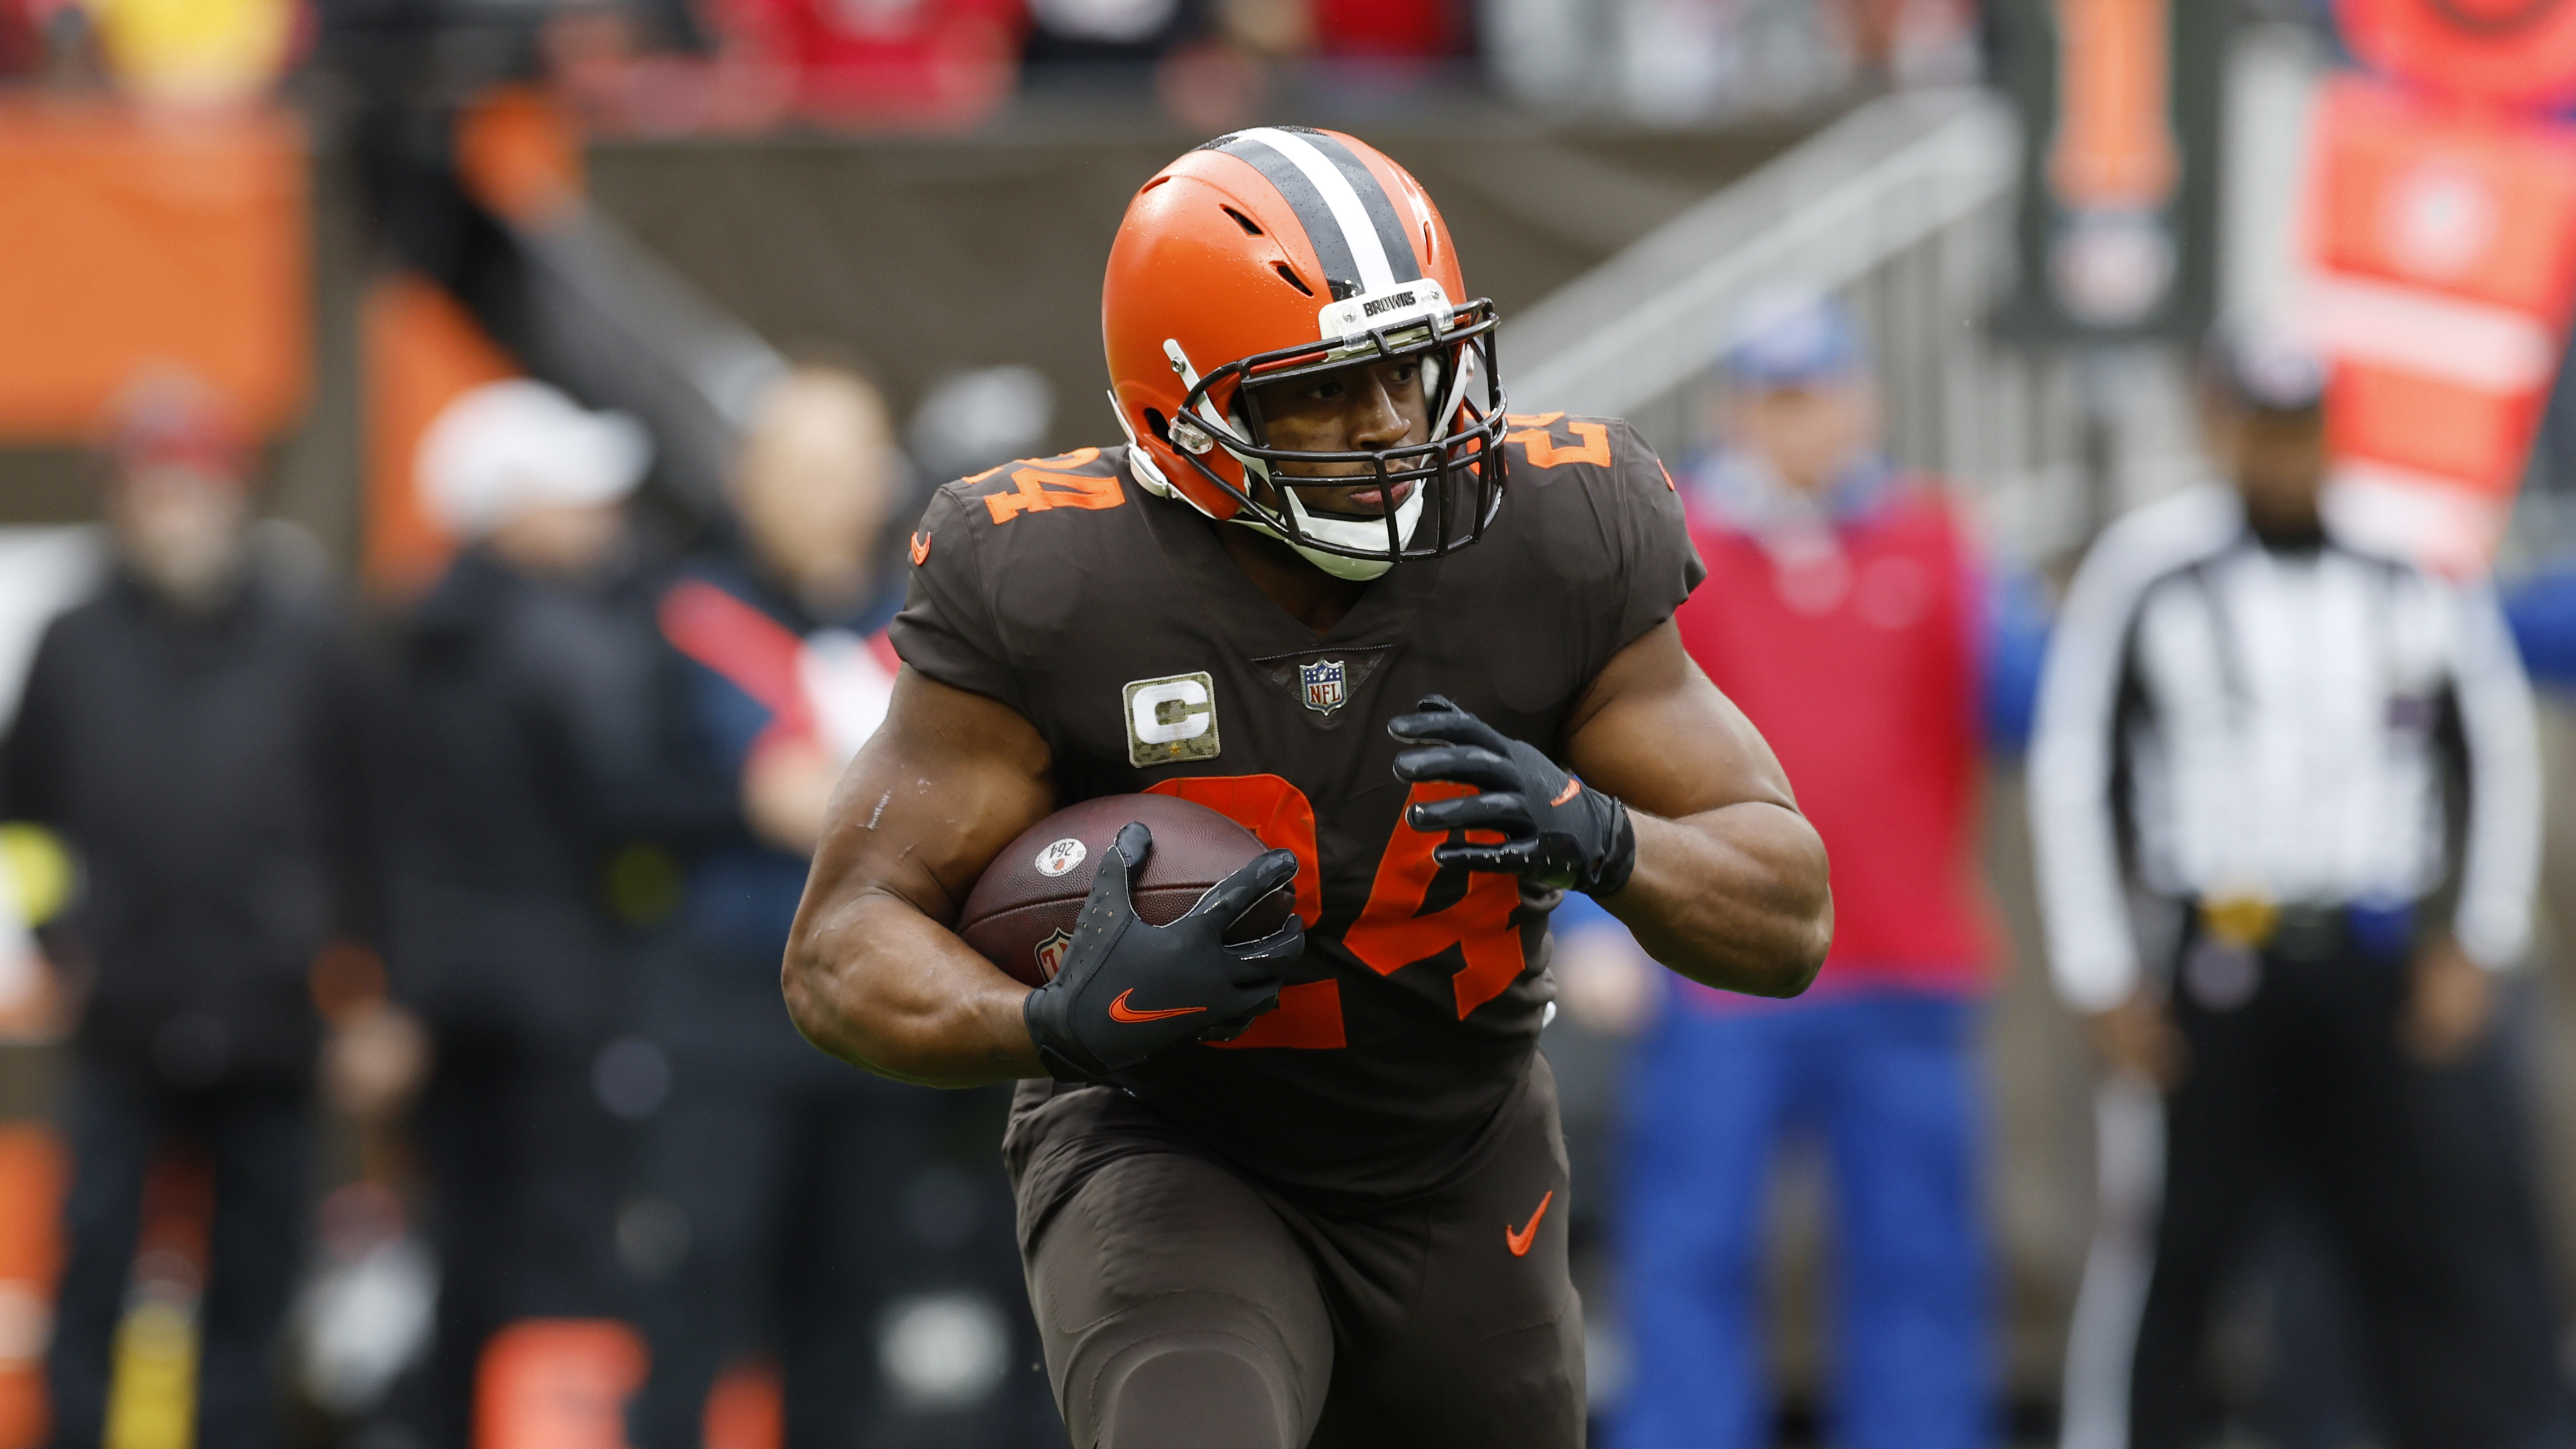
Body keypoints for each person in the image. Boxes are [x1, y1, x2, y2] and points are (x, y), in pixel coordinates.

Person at [778, 127, 1835, 1449]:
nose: (1391, 425)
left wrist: (1600, 837)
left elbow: (1790, 915)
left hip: (1461, 1154)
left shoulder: (1557, 533)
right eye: (1324, 390)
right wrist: (1049, 1020)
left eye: (1409, 368)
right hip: (1171, 1141)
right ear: (1185, 407)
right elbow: (837, 953)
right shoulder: (1050, 577)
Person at [2031, 329, 2558, 1449]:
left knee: (2424, 1242)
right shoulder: (2148, 565)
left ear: (2331, 431)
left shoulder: (2415, 555)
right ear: (2220, 427)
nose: (2280, 455)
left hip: (2376, 955)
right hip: (2221, 953)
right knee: (2182, 1246)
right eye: (2258, 428)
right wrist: (2098, 972)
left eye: (2299, 429)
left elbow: (2496, 753)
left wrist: (2476, 941)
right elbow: (2073, 766)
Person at [1605, 288, 2044, 1449]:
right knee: (1692, 1246)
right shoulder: (1665, 551)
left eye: (1816, 397)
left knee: (1921, 1256)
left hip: (1902, 960)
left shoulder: (1942, 542)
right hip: (1716, 963)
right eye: (1775, 399)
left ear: (1864, 402)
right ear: (1736, 409)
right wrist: (1596, 928)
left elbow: (2028, 702)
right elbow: (1595, 742)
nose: (1798, 426)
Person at [622, 365, 1040, 1444]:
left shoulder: (929, 628)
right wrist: (741, 801)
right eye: (797, 467)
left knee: (851, 1301)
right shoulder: (676, 617)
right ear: (746, 476)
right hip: (723, 1011)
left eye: (842, 467)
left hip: (871, 1012)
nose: (821, 494)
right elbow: (606, 796)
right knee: (698, 1289)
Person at [0, 373, 370, 1448]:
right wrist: (58, 941)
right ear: (119, 499)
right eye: (151, 484)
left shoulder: (307, 638)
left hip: (269, 1020)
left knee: (257, 1276)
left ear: (236, 494)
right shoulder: (73, 642)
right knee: (96, 1264)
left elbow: (364, 820)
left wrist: (360, 986)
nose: (173, 505)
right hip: (123, 1019)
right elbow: (24, 818)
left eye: (193, 482)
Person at [373, 379, 679, 1443]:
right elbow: (635, 802)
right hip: (567, 1000)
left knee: (463, 1245)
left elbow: (386, 836)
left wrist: (400, 988)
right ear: (509, 510)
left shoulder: (413, 634)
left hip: (449, 1001)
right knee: (566, 1249)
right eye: (575, 495)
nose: (606, 518)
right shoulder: (572, 642)